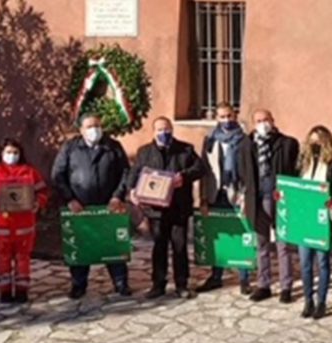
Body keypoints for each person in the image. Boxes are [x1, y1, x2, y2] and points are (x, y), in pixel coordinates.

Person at [51, 113, 131, 298]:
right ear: (81, 130)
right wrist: (69, 199)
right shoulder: (70, 148)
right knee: (80, 246)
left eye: (97, 125)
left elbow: (126, 172)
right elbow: (58, 175)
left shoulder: (113, 146)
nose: (94, 130)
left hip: (108, 206)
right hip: (80, 207)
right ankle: (79, 285)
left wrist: (118, 196)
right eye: (89, 126)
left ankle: (121, 283)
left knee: (114, 246)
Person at [126, 117, 204, 299]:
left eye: (167, 129)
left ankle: (181, 284)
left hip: (179, 207)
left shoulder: (186, 149)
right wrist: (131, 190)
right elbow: (134, 173)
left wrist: (183, 176)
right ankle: (158, 284)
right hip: (156, 210)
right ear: (154, 132)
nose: (164, 133)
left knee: (180, 247)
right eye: (160, 129)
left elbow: (200, 169)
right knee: (159, 246)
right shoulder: (144, 152)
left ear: (172, 129)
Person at [0, 138, 49, 304]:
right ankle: (5, 291)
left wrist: (38, 203)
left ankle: (22, 291)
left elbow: (42, 191)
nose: (12, 155)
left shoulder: (29, 172)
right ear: (1, 153)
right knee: (3, 258)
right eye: (8, 152)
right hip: (0, 225)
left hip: (24, 225)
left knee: (23, 258)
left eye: (15, 152)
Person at [239, 109, 299, 303]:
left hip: (280, 198)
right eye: (258, 120)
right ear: (253, 123)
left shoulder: (287, 143)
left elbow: (294, 170)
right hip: (257, 199)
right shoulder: (246, 145)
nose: (263, 123)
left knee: (283, 244)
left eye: (266, 120)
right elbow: (243, 173)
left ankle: (286, 286)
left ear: (273, 121)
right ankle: (263, 284)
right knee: (262, 244)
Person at [196, 103, 251, 295]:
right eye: (222, 117)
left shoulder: (244, 140)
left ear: (235, 116)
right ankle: (216, 276)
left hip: (236, 193)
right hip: (216, 193)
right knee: (218, 236)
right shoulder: (210, 140)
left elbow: (248, 171)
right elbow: (204, 171)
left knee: (242, 234)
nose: (226, 120)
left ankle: (244, 278)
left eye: (229, 116)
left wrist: (246, 197)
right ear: (216, 118)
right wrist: (203, 198)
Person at [295, 125, 332, 320]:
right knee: (305, 263)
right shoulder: (302, 162)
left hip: (322, 219)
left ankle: (321, 301)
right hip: (305, 219)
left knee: (322, 262)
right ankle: (308, 300)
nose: (315, 145)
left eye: (319, 141)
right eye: (312, 141)